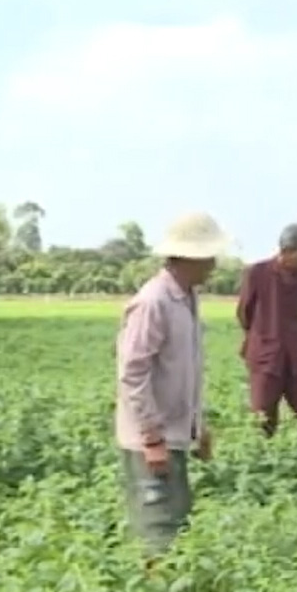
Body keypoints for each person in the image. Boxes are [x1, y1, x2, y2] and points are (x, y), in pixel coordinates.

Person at [116, 211, 230, 573]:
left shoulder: (187, 298)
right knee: (158, 528)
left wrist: (199, 428)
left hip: (176, 434)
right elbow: (133, 372)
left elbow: (184, 371)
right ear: (189, 258)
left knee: (177, 520)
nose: (213, 264)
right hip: (153, 439)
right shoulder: (153, 302)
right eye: (208, 257)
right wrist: (151, 438)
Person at [236, 222, 297, 435]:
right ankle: (263, 461)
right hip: (266, 353)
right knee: (263, 417)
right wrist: (259, 335)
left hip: (296, 352)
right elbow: (244, 311)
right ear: (286, 251)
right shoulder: (257, 273)